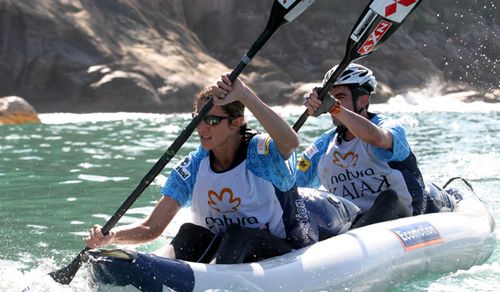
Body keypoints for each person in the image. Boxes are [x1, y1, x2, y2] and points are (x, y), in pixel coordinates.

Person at [85, 74, 318, 264]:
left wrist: (244, 94)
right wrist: (112, 237)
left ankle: (201, 279)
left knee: (236, 235)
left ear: (236, 123)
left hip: (284, 247)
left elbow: (291, 142)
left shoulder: (261, 153)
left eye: (213, 120)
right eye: (199, 118)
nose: (203, 128)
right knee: (190, 232)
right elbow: (152, 227)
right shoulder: (194, 166)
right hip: (225, 253)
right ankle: (156, 267)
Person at [296, 63, 428, 228]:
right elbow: (293, 188)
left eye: (340, 98)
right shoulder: (322, 146)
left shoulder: (389, 127)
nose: (332, 103)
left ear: (363, 100)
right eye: (330, 97)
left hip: (402, 216)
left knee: (388, 199)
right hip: (352, 226)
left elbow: (378, 139)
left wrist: (335, 108)